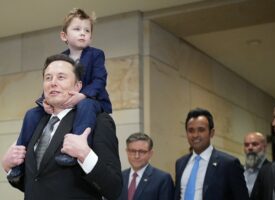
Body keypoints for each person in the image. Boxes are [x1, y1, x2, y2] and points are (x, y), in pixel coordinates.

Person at [8, 8, 112, 180]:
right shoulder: (59, 59)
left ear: (91, 37)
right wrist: (45, 103)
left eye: (87, 30)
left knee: (86, 106)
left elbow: (100, 81)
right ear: (64, 36)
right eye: (77, 29)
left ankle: (72, 150)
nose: (82, 34)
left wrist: (83, 95)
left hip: (91, 99)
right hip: (64, 101)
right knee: (32, 114)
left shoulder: (96, 54)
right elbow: (51, 84)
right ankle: (19, 161)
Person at [1, 54, 122, 200]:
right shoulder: (35, 122)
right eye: (48, 78)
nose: (53, 83)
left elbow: (114, 189)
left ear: (78, 86)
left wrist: (85, 154)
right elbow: (38, 183)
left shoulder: (98, 121)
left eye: (61, 77)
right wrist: (8, 167)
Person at [174, 108, 249, 200]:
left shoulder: (229, 164)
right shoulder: (180, 163)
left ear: (211, 133)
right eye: (191, 130)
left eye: (201, 130)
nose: (195, 135)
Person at [118, 132, 174, 200]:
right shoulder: (119, 177)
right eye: (132, 151)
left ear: (150, 153)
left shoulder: (163, 179)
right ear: (127, 152)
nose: (137, 156)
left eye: (142, 152)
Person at [243, 132, 271, 197]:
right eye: (246, 145)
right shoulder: (239, 171)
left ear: (264, 147)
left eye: (254, 144)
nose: (250, 148)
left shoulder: (273, 170)